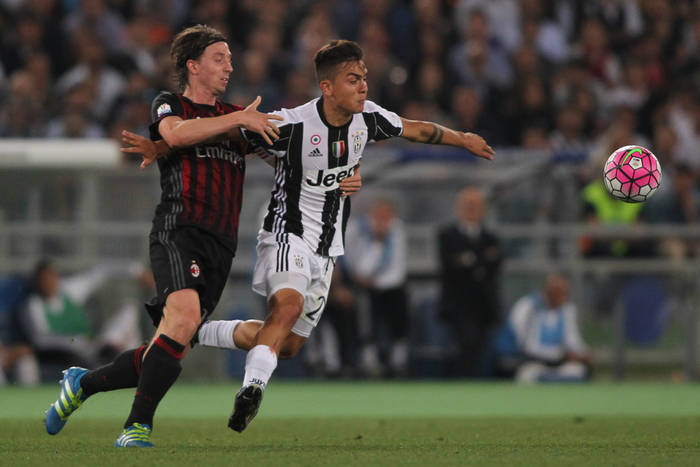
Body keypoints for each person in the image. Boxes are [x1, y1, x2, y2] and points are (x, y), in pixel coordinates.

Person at [43, 24, 361, 448]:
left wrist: (345, 172)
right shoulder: (170, 103)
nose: (229, 66)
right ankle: (137, 426)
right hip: (179, 230)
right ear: (193, 65)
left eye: (230, 59)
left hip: (221, 245)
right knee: (183, 321)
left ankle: (81, 385)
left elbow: (299, 158)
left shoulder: (240, 121)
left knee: (171, 343)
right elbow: (176, 133)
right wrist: (238, 118)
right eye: (220, 58)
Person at [195, 39, 494, 432]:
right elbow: (228, 139)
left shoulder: (368, 118)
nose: (364, 86)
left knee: (288, 343)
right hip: (287, 233)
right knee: (286, 307)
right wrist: (164, 141)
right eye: (353, 79)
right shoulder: (292, 124)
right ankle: (252, 387)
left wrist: (464, 139)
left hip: (327, 246)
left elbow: (417, 130)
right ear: (328, 87)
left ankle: (195, 331)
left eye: (364, 78)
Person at [22, 259, 144, 369]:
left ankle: (116, 353)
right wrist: (75, 340)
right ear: (37, 282)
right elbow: (41, 339)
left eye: (51, 277)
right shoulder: (33, 305)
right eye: (43, 280)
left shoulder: (68, 291)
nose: (48, 283)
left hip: (96, 343)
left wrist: (137, 270)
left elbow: (100, 271)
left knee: (129, 308)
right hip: (74, 353)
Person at [437, 187, 502, 378]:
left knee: (480, 348)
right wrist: (480, 259)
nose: (472, 210)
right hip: (458, 304)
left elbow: (495, 264)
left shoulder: (491, 237)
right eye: (468, 205)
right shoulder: (447, 235)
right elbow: (450, 266)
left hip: (484, 303)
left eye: (476, 206)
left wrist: (468, 259)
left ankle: (473, 383)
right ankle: (462, 382)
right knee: (466, 344)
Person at [345, 198, 410, 377]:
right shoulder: (357, 229)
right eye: (379, 216)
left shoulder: (397, 230)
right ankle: (369, 359)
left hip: (389, 286)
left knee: (399, 307)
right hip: (363, 285)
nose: (384, 221)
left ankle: (398, 360)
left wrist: (376, 282)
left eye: (387, 216)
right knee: (366, 314)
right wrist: (377, 242)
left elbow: (398, 268)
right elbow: (358, 267)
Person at [496, 273, 592, 383]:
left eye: (563, 294)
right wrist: (560, 355)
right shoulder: (528, 307)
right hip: (531, 362)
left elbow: (573, 341)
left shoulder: (567, 310)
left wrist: (582, 354)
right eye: (555, 293)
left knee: (577, 371)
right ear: (546, 292)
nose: (560, 297)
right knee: (527, 375)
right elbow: (526, 346)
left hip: (558, 364)